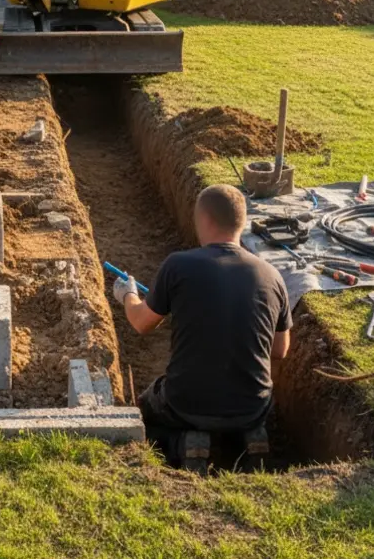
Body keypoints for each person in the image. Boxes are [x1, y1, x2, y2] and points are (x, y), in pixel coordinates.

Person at [113, 184, 292, 453]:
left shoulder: (178, 265)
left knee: (147, 408)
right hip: (253, 408)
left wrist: (128, 294)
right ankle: (249, 438)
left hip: (185, 405)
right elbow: (280, 350)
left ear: (205, 220)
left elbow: (141, 323)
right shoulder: (272, 275)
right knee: (240, 415)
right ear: (241, 223)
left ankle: (183, 442)